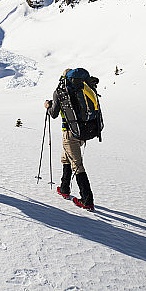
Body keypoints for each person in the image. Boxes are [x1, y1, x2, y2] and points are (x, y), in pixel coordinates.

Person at [44, 69, 95, 211]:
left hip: (69, 133)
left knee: (77, 165)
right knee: (65, 158)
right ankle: (65, 188)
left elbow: (53, 113)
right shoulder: (82, 89)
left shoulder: (61, 92)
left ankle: (87, 200)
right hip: (82, 132)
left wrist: (48, 106)